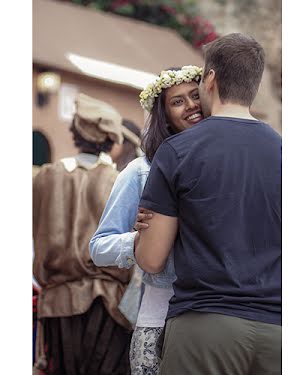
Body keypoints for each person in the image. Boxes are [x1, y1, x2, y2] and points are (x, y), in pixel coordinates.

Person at [135, 33, 281, 375]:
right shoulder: (285, 153)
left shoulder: (176, 151)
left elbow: (152, 259)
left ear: (211, 78)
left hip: (204, 324)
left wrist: (143, 234)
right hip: (279, 327)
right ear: (254, 84)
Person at [90, 65, 205, 375]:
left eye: (196, 96)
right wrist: (142, 241)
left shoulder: (227, 163)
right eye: (178, 101)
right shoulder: (140, 171)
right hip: (160, 315)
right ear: (164, 114)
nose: (191, 106)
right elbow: (98, 247)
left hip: (217, 318)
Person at [33, 94, 132, 375]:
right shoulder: (118, 180)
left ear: (76, 132)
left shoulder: (45, 177)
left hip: (57, 305)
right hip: (110, 307)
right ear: (112, 138)